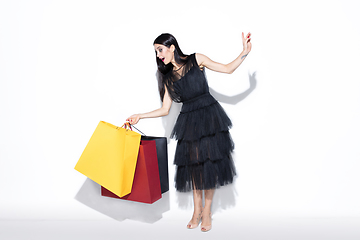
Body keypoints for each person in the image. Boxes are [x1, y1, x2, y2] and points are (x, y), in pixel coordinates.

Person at [126, 32, 252, 232]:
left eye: (160, 49)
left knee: (209, 164)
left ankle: (207, 211)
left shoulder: (196, 59)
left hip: (210, 116)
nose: (158, 55)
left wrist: (244, 52)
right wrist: (140, 115)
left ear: (172, 46)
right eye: (156, 52)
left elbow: (227, 69)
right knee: (194, 168)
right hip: (189, 122)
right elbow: (165, 109)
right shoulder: (167, 77)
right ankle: (196, 211)